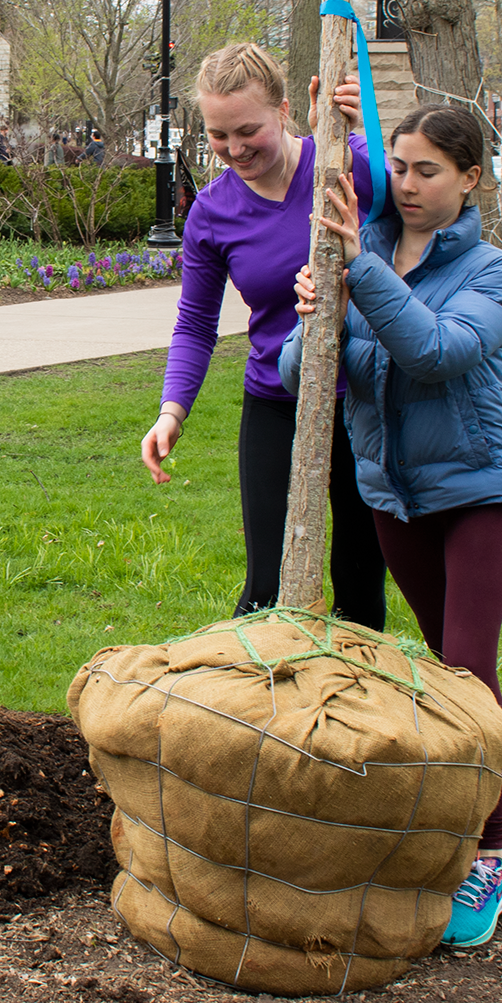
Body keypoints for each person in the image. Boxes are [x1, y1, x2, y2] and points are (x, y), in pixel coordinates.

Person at [282, 102, 502, 950]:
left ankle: (488, 859)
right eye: (402, 168)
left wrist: (363, 275)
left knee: (466, 671)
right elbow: (298, 374)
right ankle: (491, 773)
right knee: (446, 670)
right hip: (394, 495)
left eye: (431, 171)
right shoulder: (363, 254)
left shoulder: (494, 274)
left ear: (471, 179)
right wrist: (314, 306)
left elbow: (432, 353)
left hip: (478, 493)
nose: (412, 185)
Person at [142, 42, 384, 628]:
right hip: (276, 400)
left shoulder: (345, 166)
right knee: (265, 587)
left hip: (364, 401)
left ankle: (351, 711)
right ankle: (258, 710)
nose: (234, 149)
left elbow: (413, 193)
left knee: (359, 578)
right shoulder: (212, 211)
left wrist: (366, 123)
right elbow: (196, 322)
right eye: (218, 136)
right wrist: (172, 411)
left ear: (284, 109)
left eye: (247, 129)